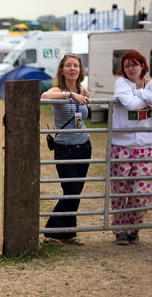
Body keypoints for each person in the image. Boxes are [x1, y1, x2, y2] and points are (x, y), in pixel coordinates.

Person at [110, 50, 152, 245]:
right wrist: (146, 97)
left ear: (143, 65)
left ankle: (134, 227)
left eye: (134, 64)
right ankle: (120, 229)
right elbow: (131, 105)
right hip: (121, 145)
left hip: (146, 146)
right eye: (127, 66)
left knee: (141, 193)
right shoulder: (121, 83)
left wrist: (140, 92)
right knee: (120, 190)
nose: (131, 68)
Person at [41, 53, 91, 245]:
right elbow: (44, 97)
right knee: (71, 190)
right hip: (65, 148)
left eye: (76, 66)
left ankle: (69, 232)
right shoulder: (56, 90)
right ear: (62, 70)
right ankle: (51, 232)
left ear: (80, 70)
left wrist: (83, 97)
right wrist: (70, 95)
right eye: (68, 65)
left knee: (76, 191)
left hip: (84, 146)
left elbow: (85, 112)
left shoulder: (84, 90)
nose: (72, 69)